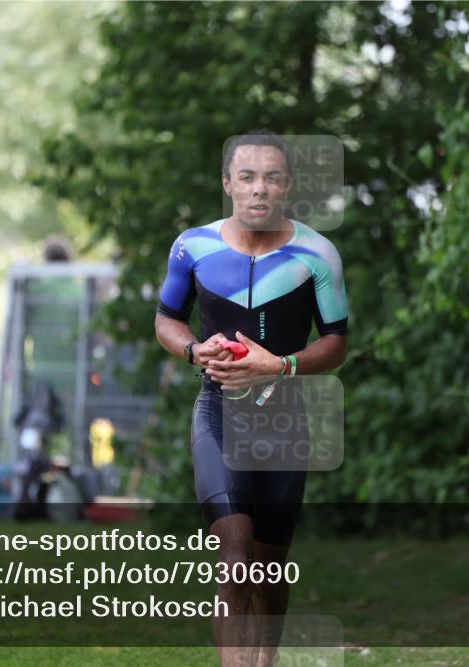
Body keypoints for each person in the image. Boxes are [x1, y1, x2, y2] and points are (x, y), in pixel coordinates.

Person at [154, 130, 348, 666]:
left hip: (285, 422)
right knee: (234, 560)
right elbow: (166, 319)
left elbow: (337, 343)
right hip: (219, 413)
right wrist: (194, 351)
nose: (259, 189)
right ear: (228, 184)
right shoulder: (192, 247)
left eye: (272, 177)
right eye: (247, 177)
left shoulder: (317, 254)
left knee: (269, 568)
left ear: (287, 186)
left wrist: (283, 364)